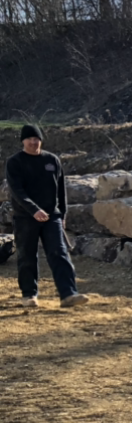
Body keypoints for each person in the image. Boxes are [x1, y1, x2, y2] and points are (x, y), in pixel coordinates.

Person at [5, 124, 89, 308]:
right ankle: (29, 295)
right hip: (25, 217)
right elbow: (17, 191)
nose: (34, 142)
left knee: (59, 253)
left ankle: (68, 294)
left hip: (52, 217)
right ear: (23, 141)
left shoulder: (52, 160)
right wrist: (33, 210)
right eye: (30, 139)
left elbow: (61, 191)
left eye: (37, 139)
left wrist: (62, 214)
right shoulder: (15, 162)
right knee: (27, 256)